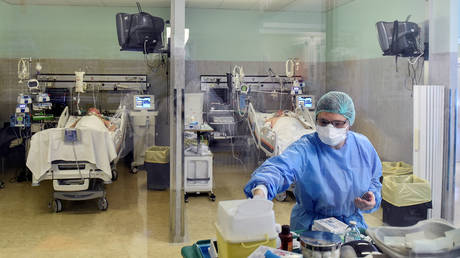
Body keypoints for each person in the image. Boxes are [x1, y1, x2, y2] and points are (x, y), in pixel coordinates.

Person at [244, 91, 382, 231]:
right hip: (311, 228)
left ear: (349, 123)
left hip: (352, 226)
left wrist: (372, 198)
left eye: (338, 123)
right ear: (316, 120)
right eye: (324, 122)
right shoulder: (305, 148)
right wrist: (261, 190)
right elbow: (280, 168)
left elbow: (374, 180)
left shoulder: (363, 146)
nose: (330, 129)